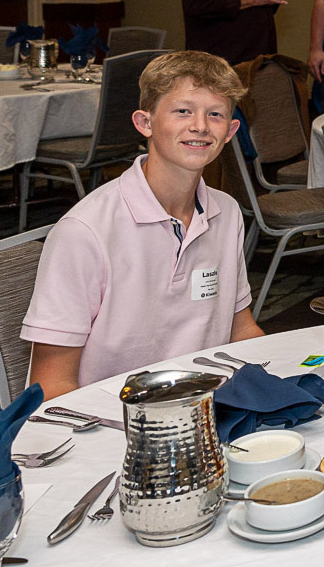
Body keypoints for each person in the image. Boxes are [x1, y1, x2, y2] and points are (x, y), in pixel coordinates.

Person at [22, 51, 265, 399]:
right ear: (144, 123)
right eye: (183, 111)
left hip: (207, 410)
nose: (200, 125)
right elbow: (51, 384)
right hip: (112, 421)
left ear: (230, 131)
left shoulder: (225, 213)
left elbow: (241, 329)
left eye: (215, 115)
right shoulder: (85, 231)